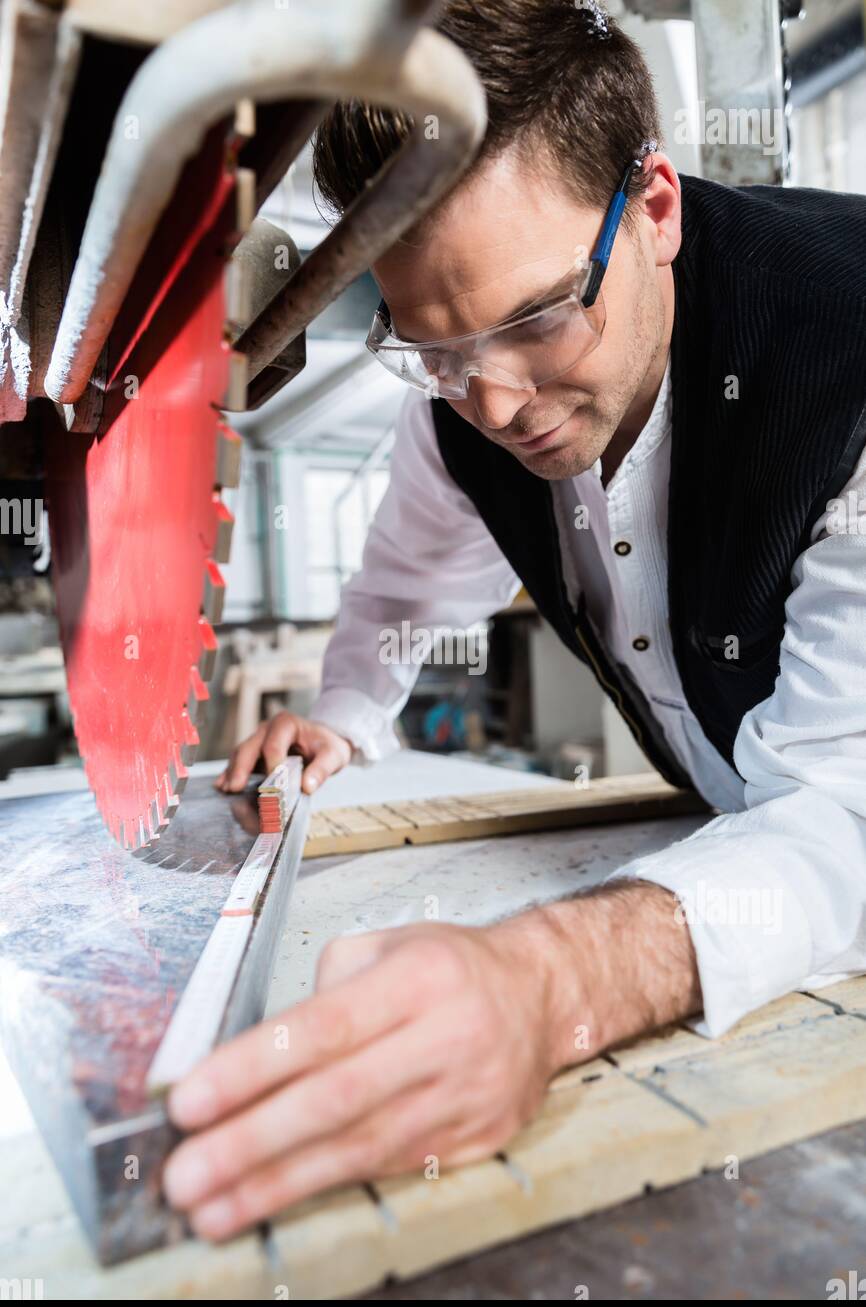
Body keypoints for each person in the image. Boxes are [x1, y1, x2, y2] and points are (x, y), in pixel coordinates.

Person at [162, 0, 866, 1240]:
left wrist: (548, 981)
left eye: (539, 320)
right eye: (433, 349)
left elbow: (846, 819)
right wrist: (340, 716)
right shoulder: (462, 400)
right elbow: (402, 592)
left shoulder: (844, 351)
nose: (492, 401)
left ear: (652, 207)